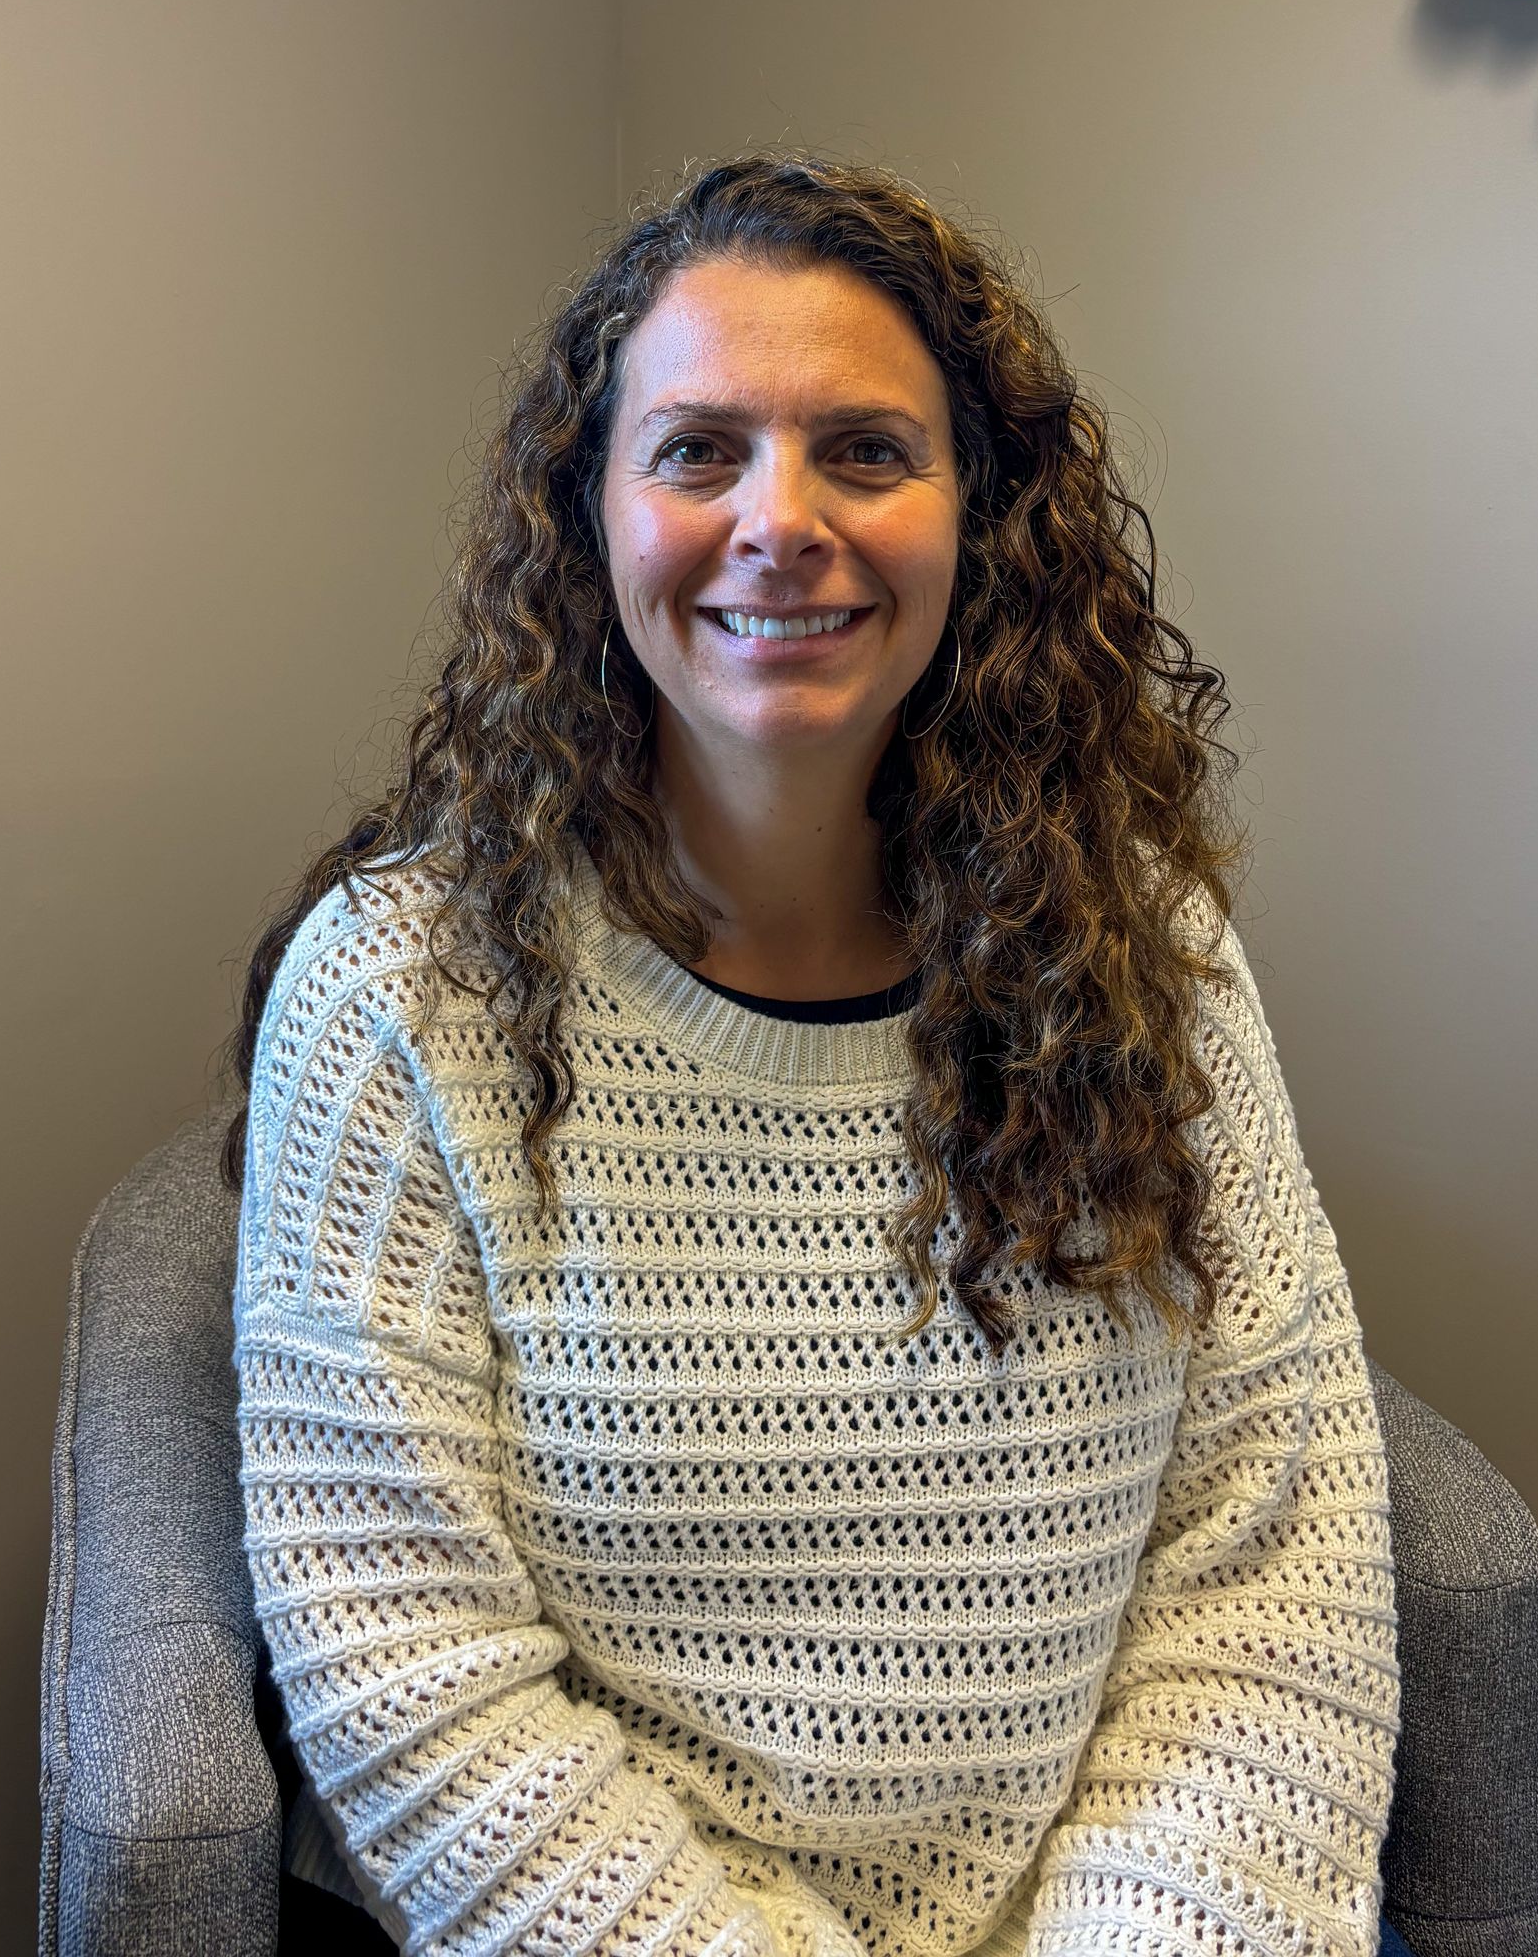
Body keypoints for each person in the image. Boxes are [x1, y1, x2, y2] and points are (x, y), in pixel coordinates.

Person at [228, 156, 1407, 1957]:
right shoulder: (401, 995)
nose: (781, 517)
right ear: (591, 516)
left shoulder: (1146, 965)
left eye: (866, 449)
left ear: (979, 522)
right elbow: (408, 1660)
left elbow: (1273, 1564)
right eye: (698, 449)